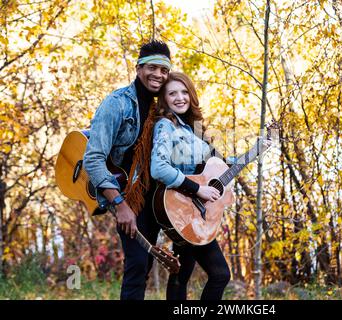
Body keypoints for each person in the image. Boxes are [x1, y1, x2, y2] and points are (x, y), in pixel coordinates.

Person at [83, 40, 172, 300]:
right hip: (125, 197)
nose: (158, 75)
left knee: (143, 266)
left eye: (164, 70)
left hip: (152, 197)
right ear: (138, 68)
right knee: (136, 264)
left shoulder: (162, 109)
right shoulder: (116, 104)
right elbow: (93, 158)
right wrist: (121, 205)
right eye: (152, 67)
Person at [151, 71, 231, 300]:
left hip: (193, 212)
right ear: (164, 99)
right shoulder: (165, 126)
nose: (180, 97)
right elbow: (158, 168)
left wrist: (256, 150)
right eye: (172, 93)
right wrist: (198, 190)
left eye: (184, 92)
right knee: (220, 274)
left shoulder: (191, 129)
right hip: (183, 206)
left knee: (180, 274)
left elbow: (213, 168)